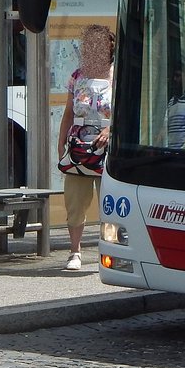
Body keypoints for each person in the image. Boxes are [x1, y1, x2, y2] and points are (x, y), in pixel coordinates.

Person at [56, 24, 114, 271]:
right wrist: (61, 145)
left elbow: (126, 111)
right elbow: (68, 113)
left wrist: (110, 130)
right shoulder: (77, 76)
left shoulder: (118, 74)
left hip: (108, 148)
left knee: (109, 202)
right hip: (79, 145)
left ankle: (110, 250)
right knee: (76, 201)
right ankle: (75, 251)